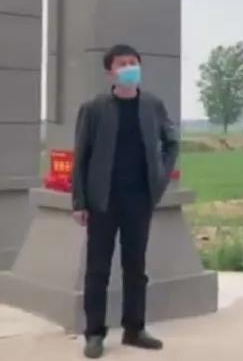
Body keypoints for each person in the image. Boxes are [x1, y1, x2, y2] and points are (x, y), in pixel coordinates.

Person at [71, 44, 178, 359]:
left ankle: (134, 329)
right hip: (102, 201)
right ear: (110, 73)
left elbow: (171, 142)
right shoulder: (94, 109)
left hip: (140, 200)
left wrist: (159, 178)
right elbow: (81, 158)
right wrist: (79, 202)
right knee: (97, 270)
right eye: (122, 63)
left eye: (133, 62)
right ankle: (94, 334)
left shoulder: (152, 105)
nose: (129, 67)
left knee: (136, 267)